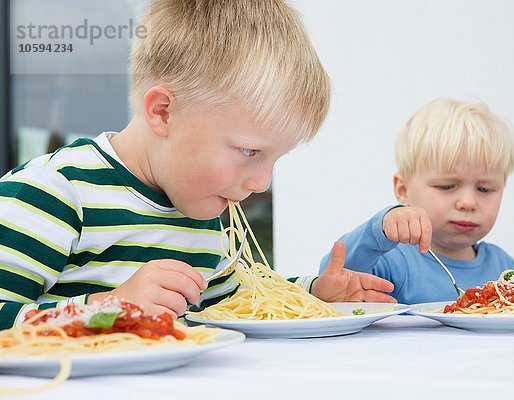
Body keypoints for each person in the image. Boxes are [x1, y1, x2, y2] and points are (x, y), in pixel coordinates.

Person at [0, 0, 395, 329]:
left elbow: (238, 301)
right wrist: (105, 312)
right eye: (248, 151)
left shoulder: (202, 211)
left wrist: (311, 292)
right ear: (163, 112)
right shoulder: (54, 194)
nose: (262, 183)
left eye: (277, 159)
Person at [320, 98, 514, 304]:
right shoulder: (394, 259)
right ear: (403, 189)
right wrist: (377, 230)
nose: (468, 202)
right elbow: (331, 278)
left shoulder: (504, 268)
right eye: (447, 186)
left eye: (484, 189)